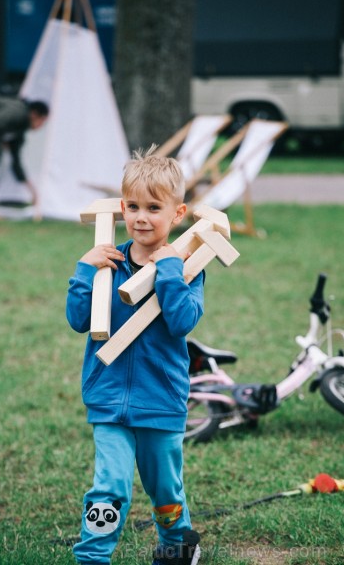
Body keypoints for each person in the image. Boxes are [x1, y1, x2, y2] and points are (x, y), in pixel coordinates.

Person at [66, 146, 204, 565]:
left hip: (160, 398)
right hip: (108, 397)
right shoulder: (109, 261)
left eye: (153, 208)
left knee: (165, 490)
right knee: (109, 485)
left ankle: (177, 545)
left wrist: (167, 270)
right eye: (133, 206)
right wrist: (85, 271)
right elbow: (78, 320)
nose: (141, 217)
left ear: (177, 214)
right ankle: (92, 557)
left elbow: (182, 321)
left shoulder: (187, 265)